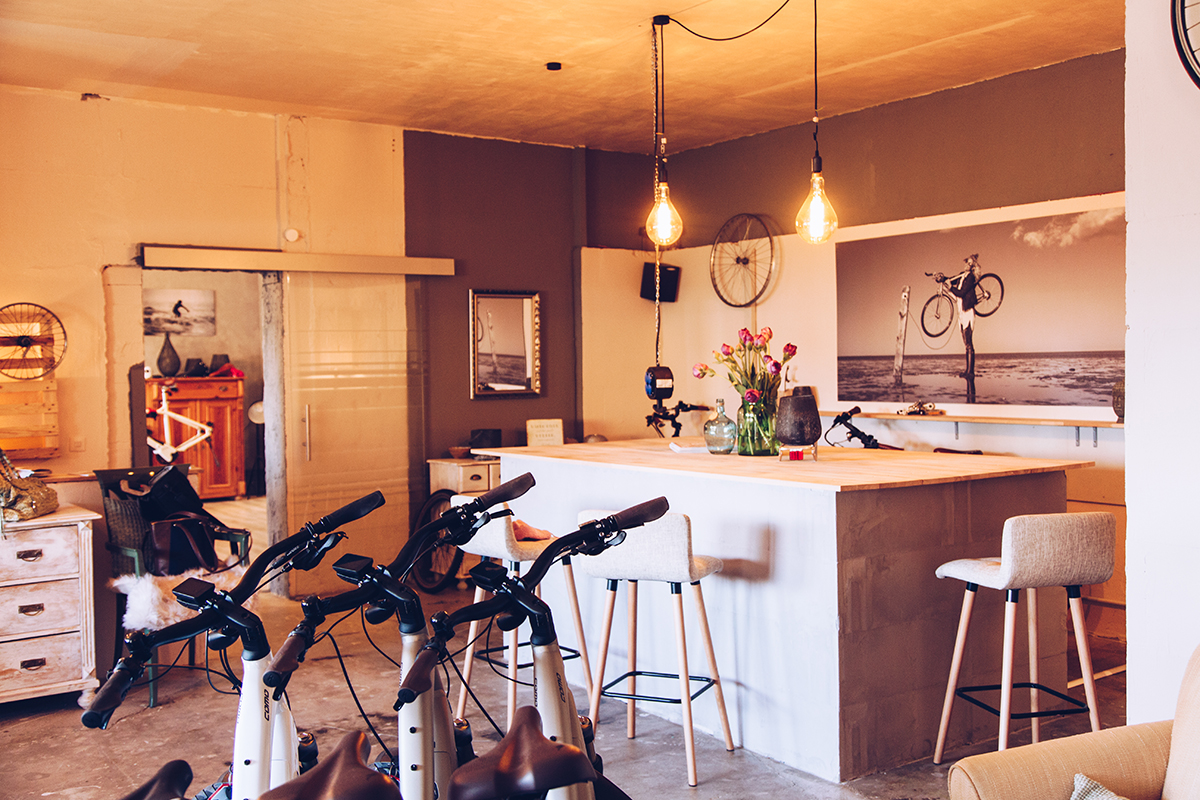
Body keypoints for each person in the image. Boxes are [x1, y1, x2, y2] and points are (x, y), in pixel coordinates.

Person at [944, 254, 981, 378]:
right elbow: (951, 280)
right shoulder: (961, 275)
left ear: (973, 267)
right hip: (961, 313)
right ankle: (967, 371)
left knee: (969, 342)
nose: (967, 265)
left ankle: (971, 372)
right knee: (965, 343)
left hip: (968, 312)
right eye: (966, 262)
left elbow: (961, 292)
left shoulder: (970, 278)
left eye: (970, 264)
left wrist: (951, 288)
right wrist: (942, 278)